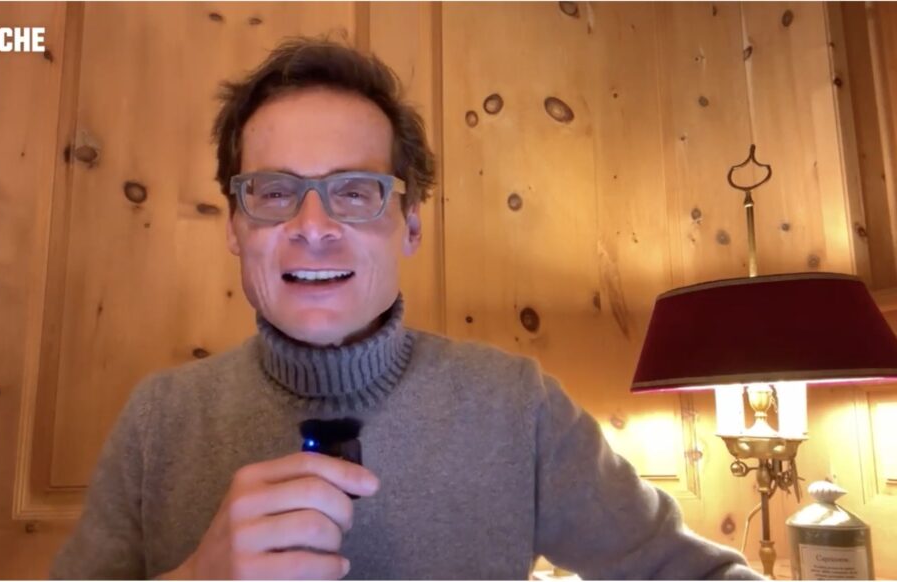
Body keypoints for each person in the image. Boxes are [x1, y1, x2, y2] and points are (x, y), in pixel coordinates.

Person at [50, 37, 762, 580]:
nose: (312, 226)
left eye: (355, 192)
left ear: (410, 225)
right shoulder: (158, 421)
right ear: (235, 226)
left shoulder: (517, 406)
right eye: (274, 192)